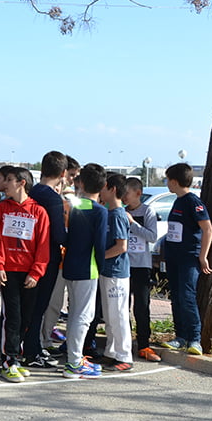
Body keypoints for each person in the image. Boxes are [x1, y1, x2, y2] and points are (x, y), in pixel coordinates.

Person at [0, 166, 49, 383]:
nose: (4, 184)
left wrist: (36, 272)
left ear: (21, 182)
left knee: (26, 317)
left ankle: (18, 356)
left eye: (9, 180)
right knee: (11, 317)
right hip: (8, 272)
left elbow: (43, 245)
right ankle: (9, 361)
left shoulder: (39, 211)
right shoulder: (2, 208)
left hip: (30, 273)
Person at [60, 163, 108, 379]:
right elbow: (100, 244)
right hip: (88, 269)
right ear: (104, 185)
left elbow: (66, 236)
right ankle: (74, 363)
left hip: (70, 265)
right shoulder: (100, 211)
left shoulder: (76, 206)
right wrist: (103, 267)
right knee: (83, 317)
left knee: (74, 316)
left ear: (81, 182)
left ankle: (74, 358)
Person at [162, 163, 212, 356]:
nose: (166, 183)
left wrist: (203, 257)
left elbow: (208, 229)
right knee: (175, 296)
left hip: (189, 258)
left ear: (174, 181)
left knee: (187, 296)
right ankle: (180, 336)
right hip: (173, 257)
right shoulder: (177, 201)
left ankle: (195, 339)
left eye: (167, 180)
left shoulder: (192, 201)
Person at [25, 151, 68, 368]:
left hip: (26, 255)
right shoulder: (53, 198)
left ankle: (26, 347)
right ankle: (32, 350)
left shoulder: (31, 192)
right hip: (46, 259)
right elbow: (59, 235)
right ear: (63, 173)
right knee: (39, 307)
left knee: (28, 307)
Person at [123, 177, 161, 362]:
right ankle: (125, 342)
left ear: (138, 193)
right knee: (123, 307)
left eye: (127, 193)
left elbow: (152, 236)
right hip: (125, 265)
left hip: (142, 266)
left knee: (142, 307)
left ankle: (144, 344)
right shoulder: (121, 212)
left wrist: (133, 224)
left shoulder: (148, 211)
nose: (124, 197)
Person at [98, 173, 133, 371]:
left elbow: (121, 246)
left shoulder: (118, 214)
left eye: (103, 187)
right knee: (110, 315)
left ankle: (124, 355)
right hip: (107, 271)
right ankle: (111, 352)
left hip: (117, 272)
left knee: (118, 314)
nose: (101, 191)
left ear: (112, 189)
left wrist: (100, 257)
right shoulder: (109, 213)